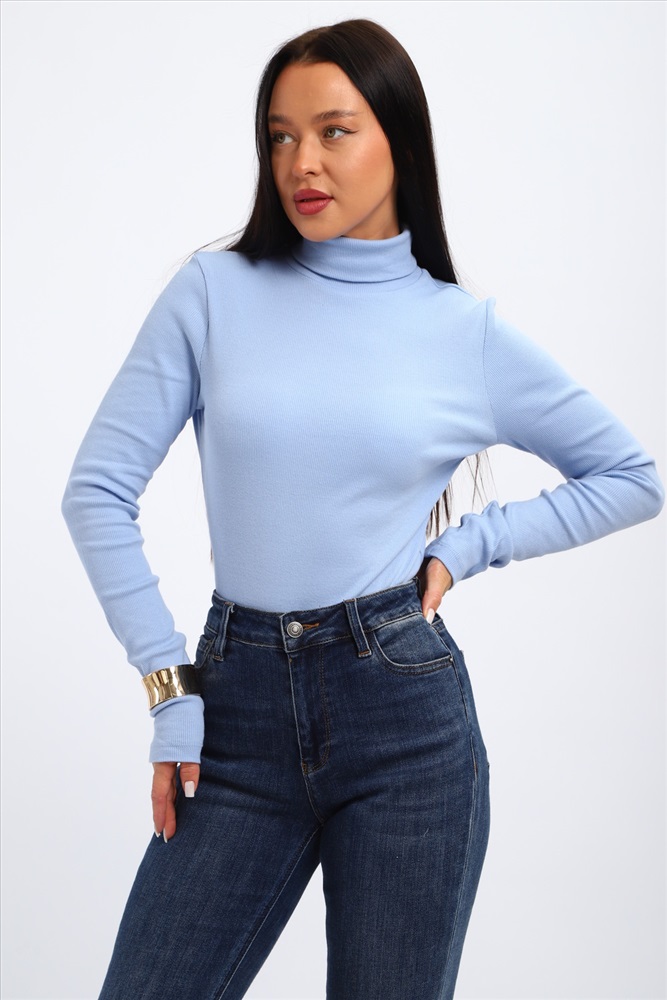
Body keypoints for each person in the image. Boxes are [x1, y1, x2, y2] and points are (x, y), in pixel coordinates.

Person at [61, 18, 664, 1000]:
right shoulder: (213, 290)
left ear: (398, 139)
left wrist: (472, 544)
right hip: (233, 717)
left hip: (404, 725)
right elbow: (96, 490)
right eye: (280, 135)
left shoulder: (460, 332)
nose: (301, 161)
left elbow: (631, 476)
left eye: (333, 131)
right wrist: (168, 690)